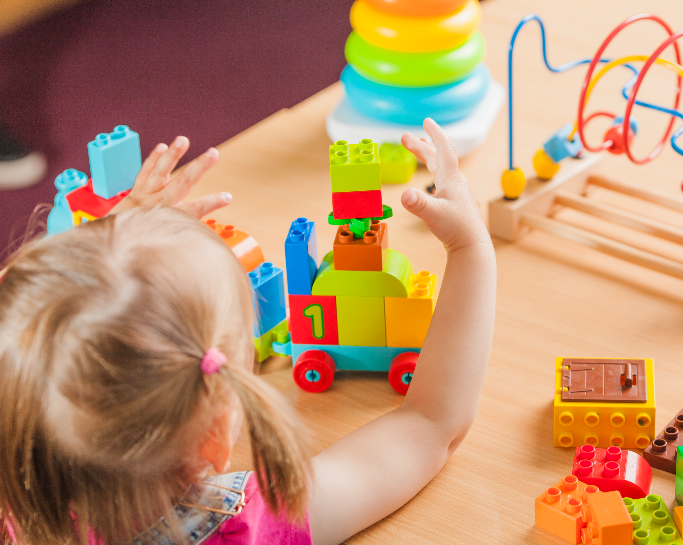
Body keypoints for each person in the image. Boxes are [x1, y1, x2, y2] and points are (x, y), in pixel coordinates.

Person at [0, 118, 497, 545]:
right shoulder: (247, 526)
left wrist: (101, 244)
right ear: (215, 438)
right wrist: (472, 247)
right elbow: (431, 423)